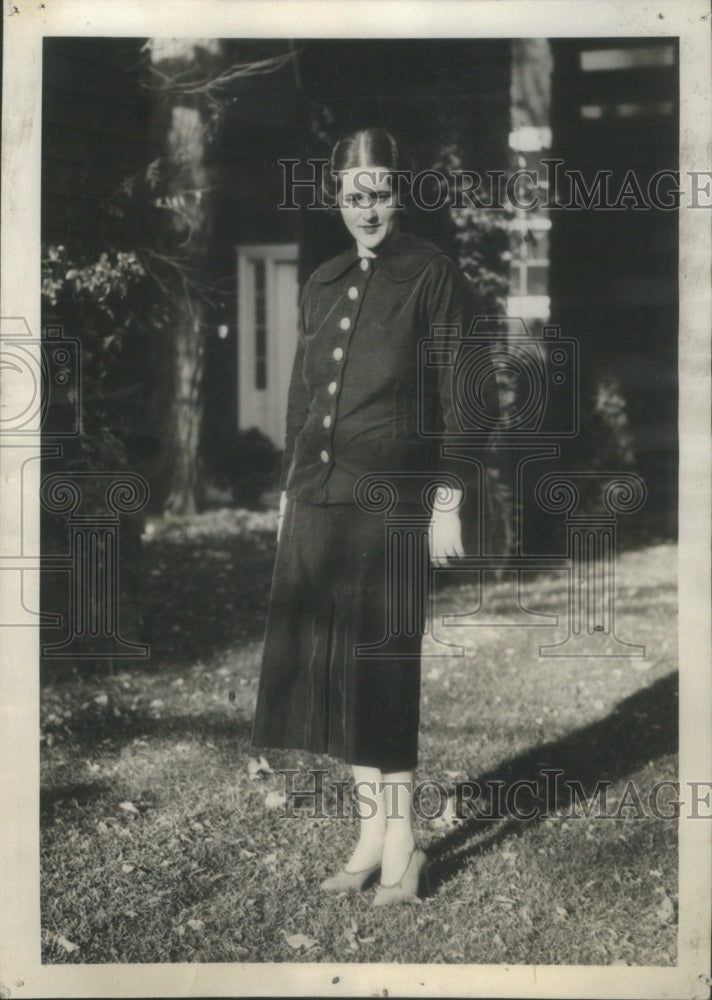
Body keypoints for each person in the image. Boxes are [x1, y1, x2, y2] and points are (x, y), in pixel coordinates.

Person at [251, 128, 484, 906]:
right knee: (331, 673)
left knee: (382, 671)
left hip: (394, 504)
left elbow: (464, 393)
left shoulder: (433, 273)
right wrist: (290, 498)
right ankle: (367, 835)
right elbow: (299, 400)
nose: (368, 207)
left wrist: (447, 501)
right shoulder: (321, 281)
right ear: (336, 197)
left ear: (399, 192)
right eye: (354, 193)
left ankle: (405, 848)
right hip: (318, 498)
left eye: (380, 190)